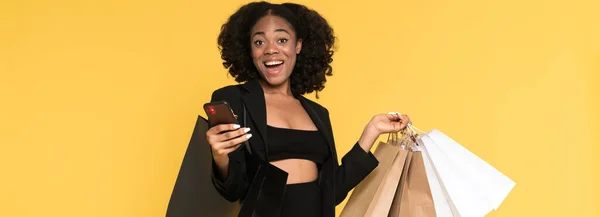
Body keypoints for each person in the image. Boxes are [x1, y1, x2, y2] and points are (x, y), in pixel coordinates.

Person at [206, 2, 412, 217]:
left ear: (298, 45)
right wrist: (220, 157)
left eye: (282, 40)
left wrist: (371, 132)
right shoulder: (234, 99)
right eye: (259, 42)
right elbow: (234, 190)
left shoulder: (318, 113)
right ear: (250, 50)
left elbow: (332, 193)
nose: (271, 49)